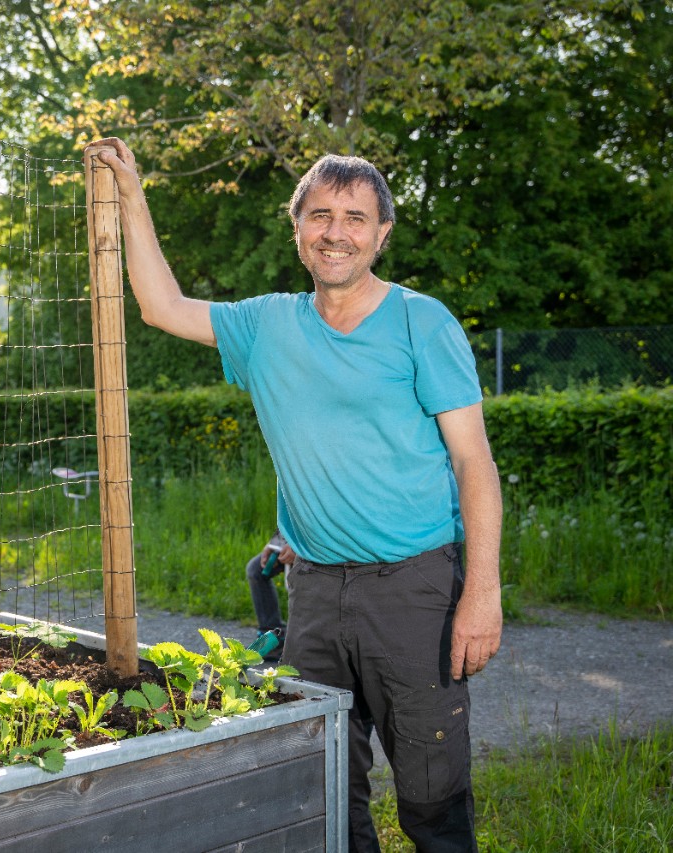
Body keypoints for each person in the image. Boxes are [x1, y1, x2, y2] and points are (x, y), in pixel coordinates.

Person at [90, 138, 503, 852]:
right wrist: (132, 196)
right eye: (319, 215)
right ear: (298, 229)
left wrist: (483, 592)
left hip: (414, 590)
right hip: (312, 592)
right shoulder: (266, 326)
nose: (335, 232)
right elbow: (160, 305)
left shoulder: (422, 323)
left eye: (353, 216)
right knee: (325, 789)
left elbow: (474, 464)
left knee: (433, 796)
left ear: (381, 233)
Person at [245, 531, 295, 663]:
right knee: (256, 569)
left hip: (318, 548)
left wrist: (297, 547)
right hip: (293, 541)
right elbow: (289, 515)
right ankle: (273, 638)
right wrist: (273, 544)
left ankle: (303, 645)